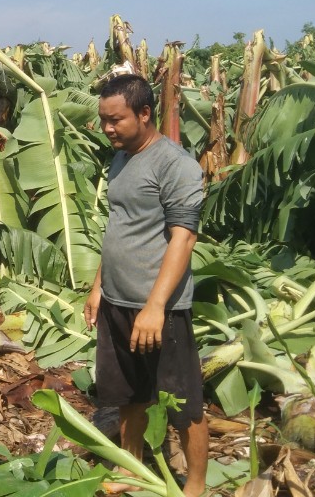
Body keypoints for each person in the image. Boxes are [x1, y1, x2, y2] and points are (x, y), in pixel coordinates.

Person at [84, 74, 208, 497]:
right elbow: (119, 226)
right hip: (117, 300)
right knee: (128, 394)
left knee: (183, 403)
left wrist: (155, 306)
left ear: (144, 113)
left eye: (115, 120)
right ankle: (132, 467)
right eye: (103, 120)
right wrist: (99, 285)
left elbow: (184, 237)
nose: (107, 129)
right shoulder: (120, 157)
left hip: (159, 308)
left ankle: (195, 485)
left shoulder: (175, 165)